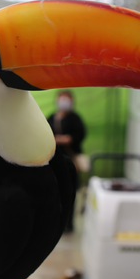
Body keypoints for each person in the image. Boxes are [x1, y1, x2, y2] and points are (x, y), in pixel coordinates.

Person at [47, 90, 86, 232]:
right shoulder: (52, 117)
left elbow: (80, 134)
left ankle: (69, 224)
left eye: (66, 99)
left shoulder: (75, 118)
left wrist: (65, 139)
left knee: (70, 191)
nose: (63, 101)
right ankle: (56, 222)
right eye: (61, 98)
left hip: (70, 160)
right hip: (54, 160)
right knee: (55, 192)